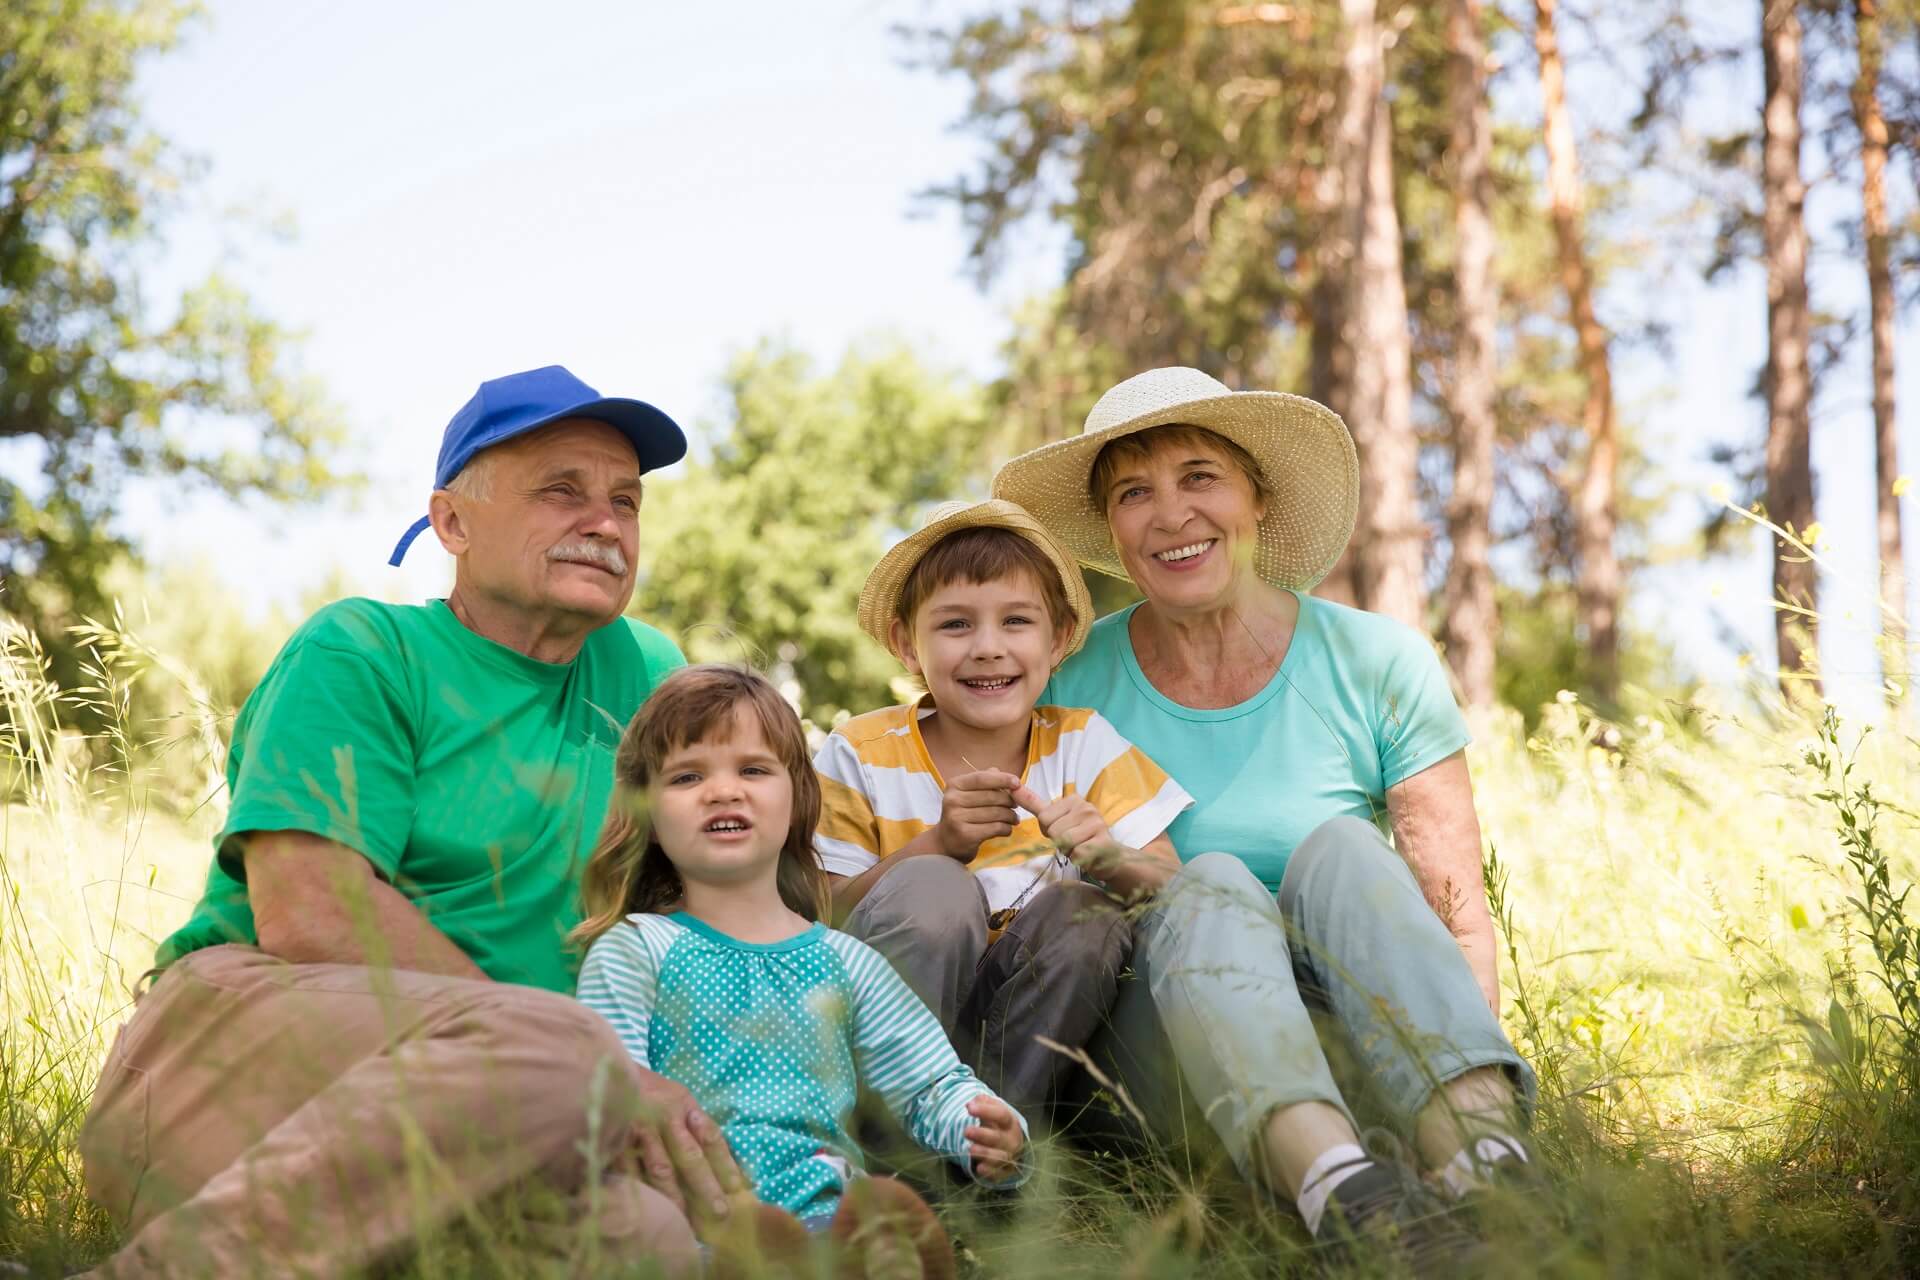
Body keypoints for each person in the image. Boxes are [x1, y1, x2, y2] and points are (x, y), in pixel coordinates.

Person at [77, 366, 732, 1279]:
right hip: (230, 1052)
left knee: (649, 1243)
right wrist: (586, 1062)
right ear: (453, 523)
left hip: (512, 1111)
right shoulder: (363, 651)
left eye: (627, 501)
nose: (607, 523)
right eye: (562, 491)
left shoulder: (651, 674)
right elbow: (312, 914)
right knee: (562, 1045)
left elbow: (717, 896)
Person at [992, 367, 1539, 1253]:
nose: (1171, 515)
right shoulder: (1068, 682)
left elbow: (1455, 918)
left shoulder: (1376, 662)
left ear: (1259, 497)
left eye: (1199, 476)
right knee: (1204, 880)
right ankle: (1347, 1205)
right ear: (1112, 531)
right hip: (1168, 1058)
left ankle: (1491, 1168)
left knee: (1347, 851)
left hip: (1360, 1044)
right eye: (1135, 493)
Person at [573, 664, 1027, 1279]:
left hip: (825, 1213)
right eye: (687, 776)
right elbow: (608, 1090)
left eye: (753, 770)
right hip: (687, 1210)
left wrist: (987, 1128)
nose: (723, 791)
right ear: (649, 814)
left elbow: (929, 1084)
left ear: (796, 799)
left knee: (864, 1223)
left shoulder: (845, 962)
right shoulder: (635, 950)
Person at [815, 499, 1192, 1117]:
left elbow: (1178, 889)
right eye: (955, 625)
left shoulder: (1083, 743)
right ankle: (900, 1148)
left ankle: (995, 1145)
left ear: (1059, 637)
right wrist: (934, 846)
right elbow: (815, 917)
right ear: (906, 644)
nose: (988, 648)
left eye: (1016, 621)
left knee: (1086, 910)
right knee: (934, 886)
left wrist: (1108, 858)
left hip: (1031, 1041)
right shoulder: (859, 750)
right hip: (890, 1026)